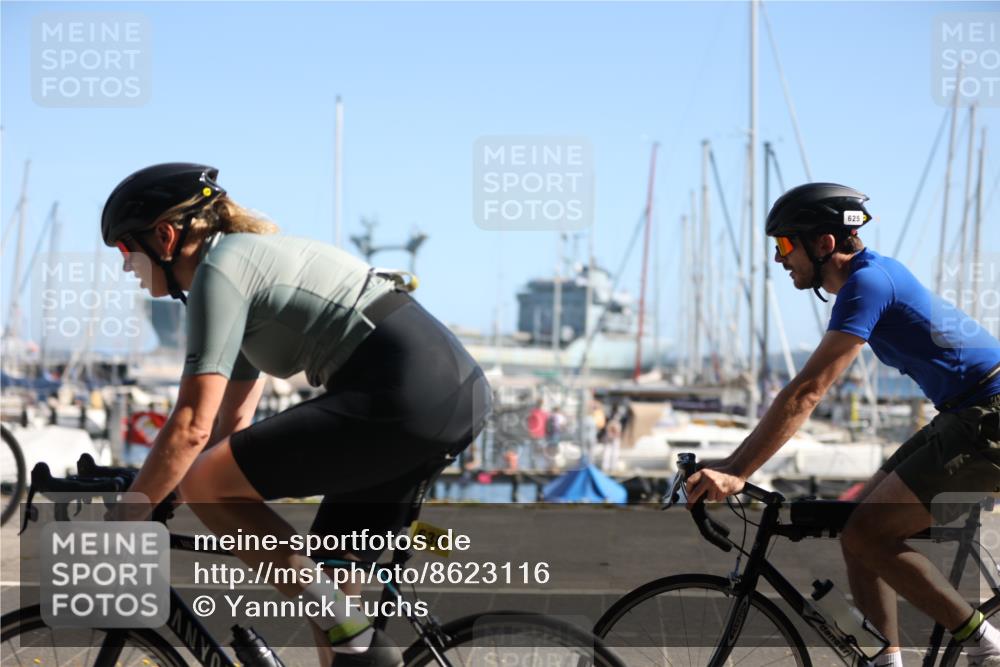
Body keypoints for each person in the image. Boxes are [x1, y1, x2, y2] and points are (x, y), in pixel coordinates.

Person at [101, 163, 492, 667]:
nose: (126, 267)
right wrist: (163, 489)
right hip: (444, 392)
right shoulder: (242, 267)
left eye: (125, 251)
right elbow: (228, 429)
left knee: (212, 489)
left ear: (166, 235)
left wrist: (127, 515)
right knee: (330, 583)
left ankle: (349, 628)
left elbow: (191, 425)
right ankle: (354, 641)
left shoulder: (219, 272)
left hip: (403, 391)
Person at [686, 183, 1000, 667]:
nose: (778, 258)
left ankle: (984, 645)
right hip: (965, 411)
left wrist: (737, 471)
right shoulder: (871, 279)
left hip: (987, 418)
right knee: (858, 530)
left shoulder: (869, 284)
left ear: (825, 243)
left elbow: (808, 391)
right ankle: (885, 658)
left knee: (868, 534)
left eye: (785, 245)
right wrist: (732, 464)